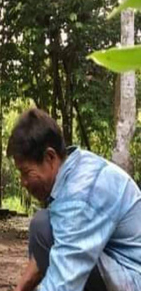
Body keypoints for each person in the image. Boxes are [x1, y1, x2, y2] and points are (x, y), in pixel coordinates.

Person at [8, 108, 141, 291]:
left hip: (131, 277)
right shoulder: (75, 168)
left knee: (46, 229)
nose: (23, 182)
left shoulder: (80, 195)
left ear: (50, 157)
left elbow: (64, 281)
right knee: (43, 225)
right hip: (118, 267)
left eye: (26, 172)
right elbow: (43, 259)